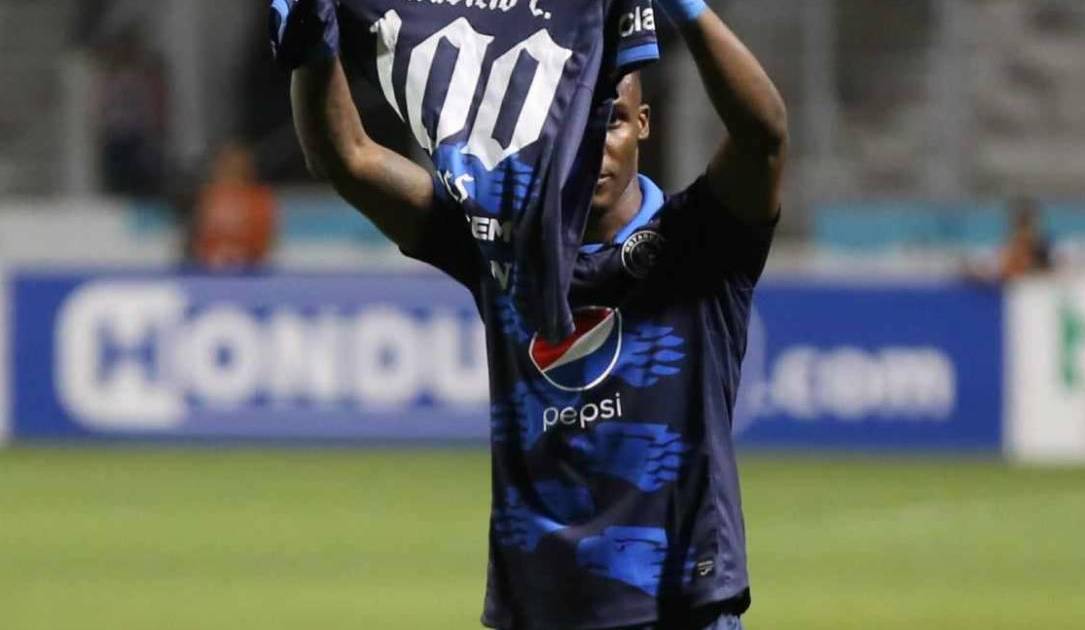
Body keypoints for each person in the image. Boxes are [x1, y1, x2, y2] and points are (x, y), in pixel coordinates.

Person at [282, 0, 787, 627]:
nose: (593, 145)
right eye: (574, 123)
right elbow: (348, 159)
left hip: (680, 607)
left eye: (613, 120)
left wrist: (683, 6)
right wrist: (310, 43)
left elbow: (764, 135)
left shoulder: (702, 241)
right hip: (537, 609)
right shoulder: (501, 241)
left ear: (644, 125)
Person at [187, 141, 278, 270]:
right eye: (228, 163)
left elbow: (265, 239)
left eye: (237, 165)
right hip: (208, 268)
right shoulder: (207, 196)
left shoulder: (259, 198)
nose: (232, 169)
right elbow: (195, 237)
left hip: (249, 269)